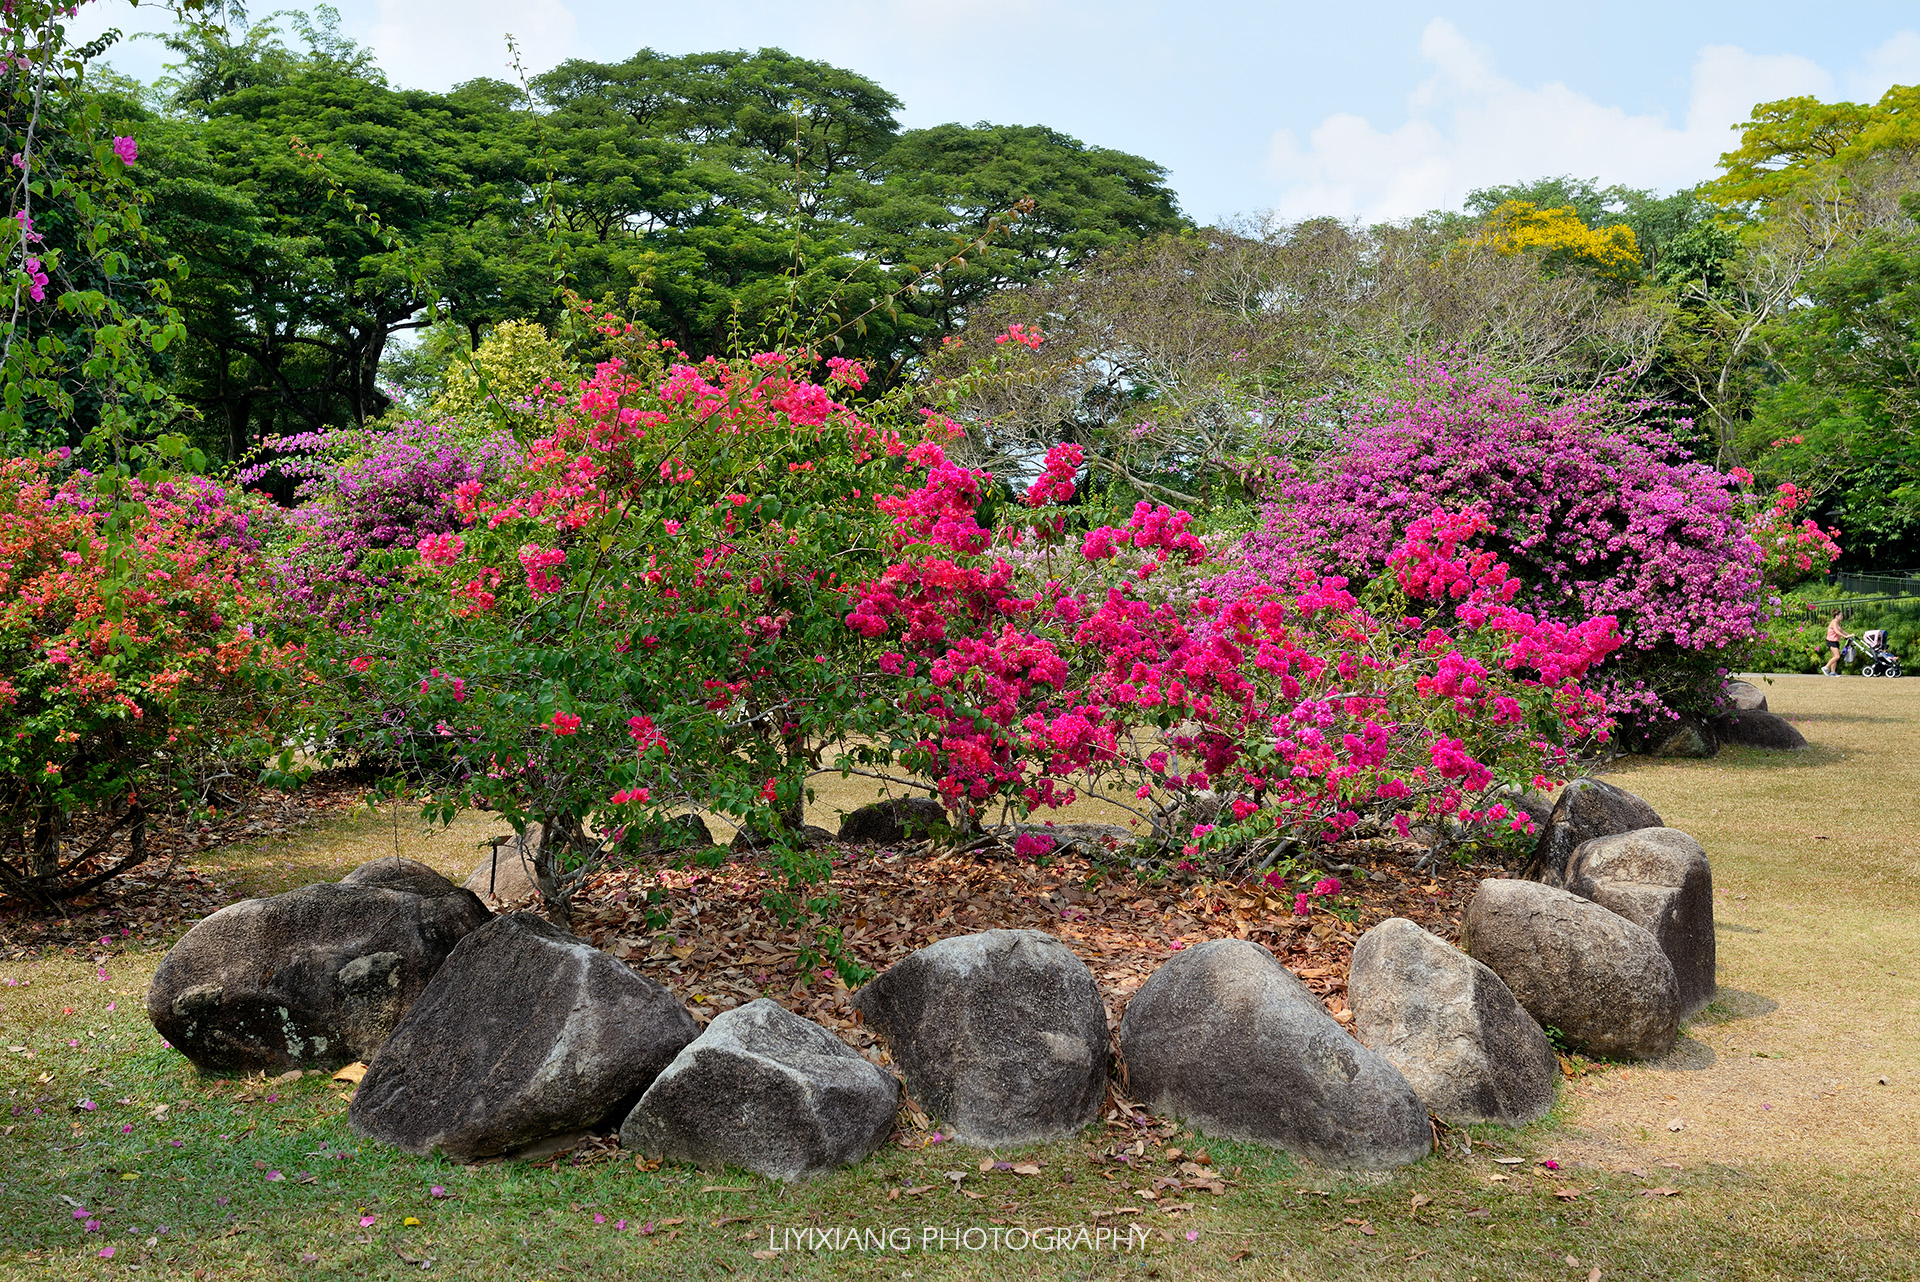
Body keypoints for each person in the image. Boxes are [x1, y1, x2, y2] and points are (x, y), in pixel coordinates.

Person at [1822, 611, 1852, 676]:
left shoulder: (1838, 623)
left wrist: (1849, 635)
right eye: (1841, 615)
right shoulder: (1833, 622)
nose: (1842, 617)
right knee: (1837, 656)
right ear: (1836, 616)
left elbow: (1842, 631)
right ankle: (1826, 667)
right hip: (1831, 641)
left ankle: (1833, 672)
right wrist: (1845, 636)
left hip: (1835, 641)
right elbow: (1837, 631)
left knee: (1834, 657)